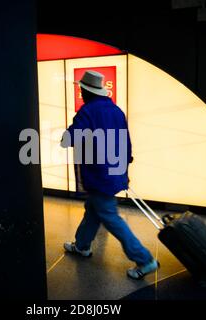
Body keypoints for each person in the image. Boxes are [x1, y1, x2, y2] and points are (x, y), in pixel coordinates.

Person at [60, 70, 159, 280]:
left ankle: (145, 260)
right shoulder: (116, 111)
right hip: (115, 172)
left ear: (86, 91)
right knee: (93, 210)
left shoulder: (87, 112)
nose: (81, 91)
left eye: (81, 89)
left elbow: (68, 139)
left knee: (110, 216)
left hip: (98, 175)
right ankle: (82, 245)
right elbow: (126, 144)